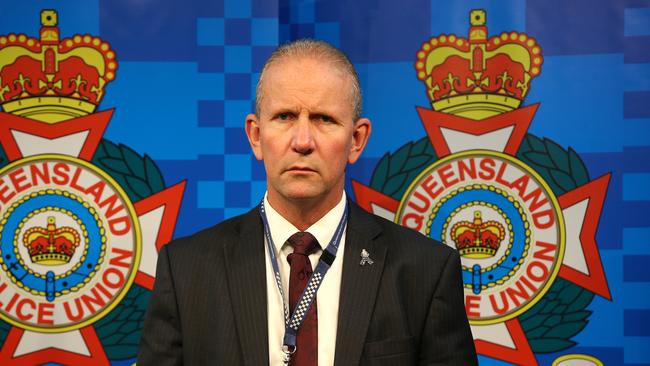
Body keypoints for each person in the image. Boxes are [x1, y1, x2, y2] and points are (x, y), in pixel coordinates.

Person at [138, 39, 477, 365]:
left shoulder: (426, 271)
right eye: (285, 116)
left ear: (357, 140)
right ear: (256, 136)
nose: (302, 141)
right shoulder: (186, 270)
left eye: (323, 119)